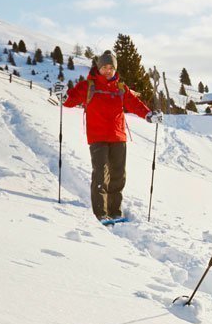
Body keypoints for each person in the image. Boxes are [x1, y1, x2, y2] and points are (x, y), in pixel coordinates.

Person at [64, 50, 162, 222]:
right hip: (98, 137)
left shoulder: (120, 88)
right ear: (99, 67)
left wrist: (148, 115)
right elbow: (70, 100)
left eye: (111, 67)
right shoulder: (88, 86)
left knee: (118, 175)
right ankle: (100, 213)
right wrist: (62, 95)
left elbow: (135, 104)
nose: (108, 70)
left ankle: (115, 212)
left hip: (118, 136)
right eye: (104, 67)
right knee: (101, 175)